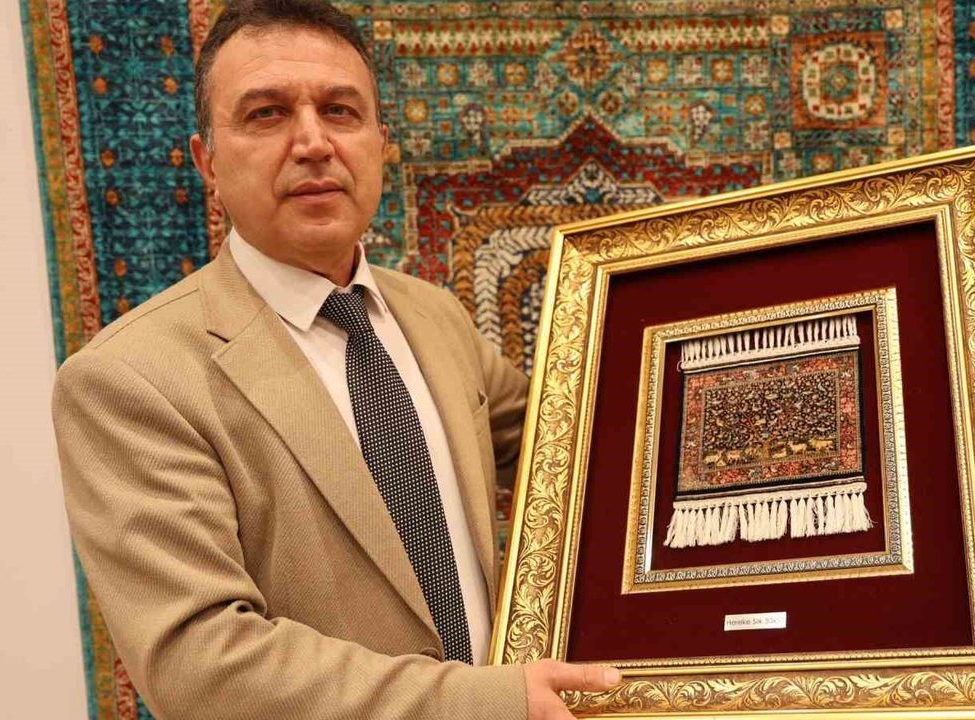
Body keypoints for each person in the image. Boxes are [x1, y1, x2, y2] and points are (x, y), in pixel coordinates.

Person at [51, 1, 617, 717]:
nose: (313, 142)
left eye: (340, 111)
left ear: (380, 144)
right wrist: (486, 701)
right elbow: (201, 665)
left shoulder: (434, 315)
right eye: (266, 114)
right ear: (207, 162)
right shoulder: (129, 382)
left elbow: (578, 441)